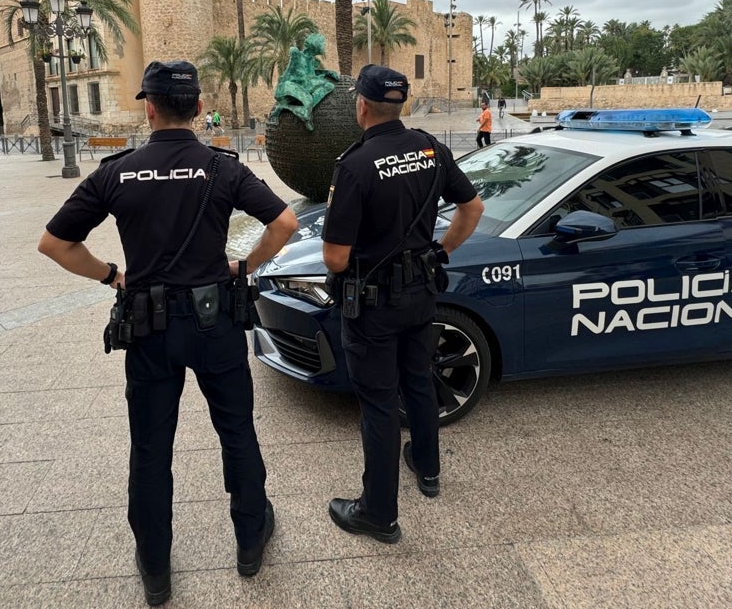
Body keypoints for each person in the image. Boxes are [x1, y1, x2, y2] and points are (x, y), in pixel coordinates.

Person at [38, 60, 298, 606]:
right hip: (215, 322)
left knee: (151, 446)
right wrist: (244, 265)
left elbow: (55, 244)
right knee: (237, 431)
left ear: (148, 108)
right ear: (200, 109)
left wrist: (113, 275)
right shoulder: (223, 169)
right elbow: (285, 224)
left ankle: (156, 566)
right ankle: (251, 541)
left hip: (150, 327)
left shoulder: (117, 172)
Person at [322, 64, 484, 544]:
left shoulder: (353, 165)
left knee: (377, 403)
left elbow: (334, 257)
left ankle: (378, 514)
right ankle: (428, 470)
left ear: (362, 106)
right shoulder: (431, 148)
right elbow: (471, 207)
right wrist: (441, 251)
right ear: (403, 105)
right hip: (421, 293)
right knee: (418, 380)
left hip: (374, 305)